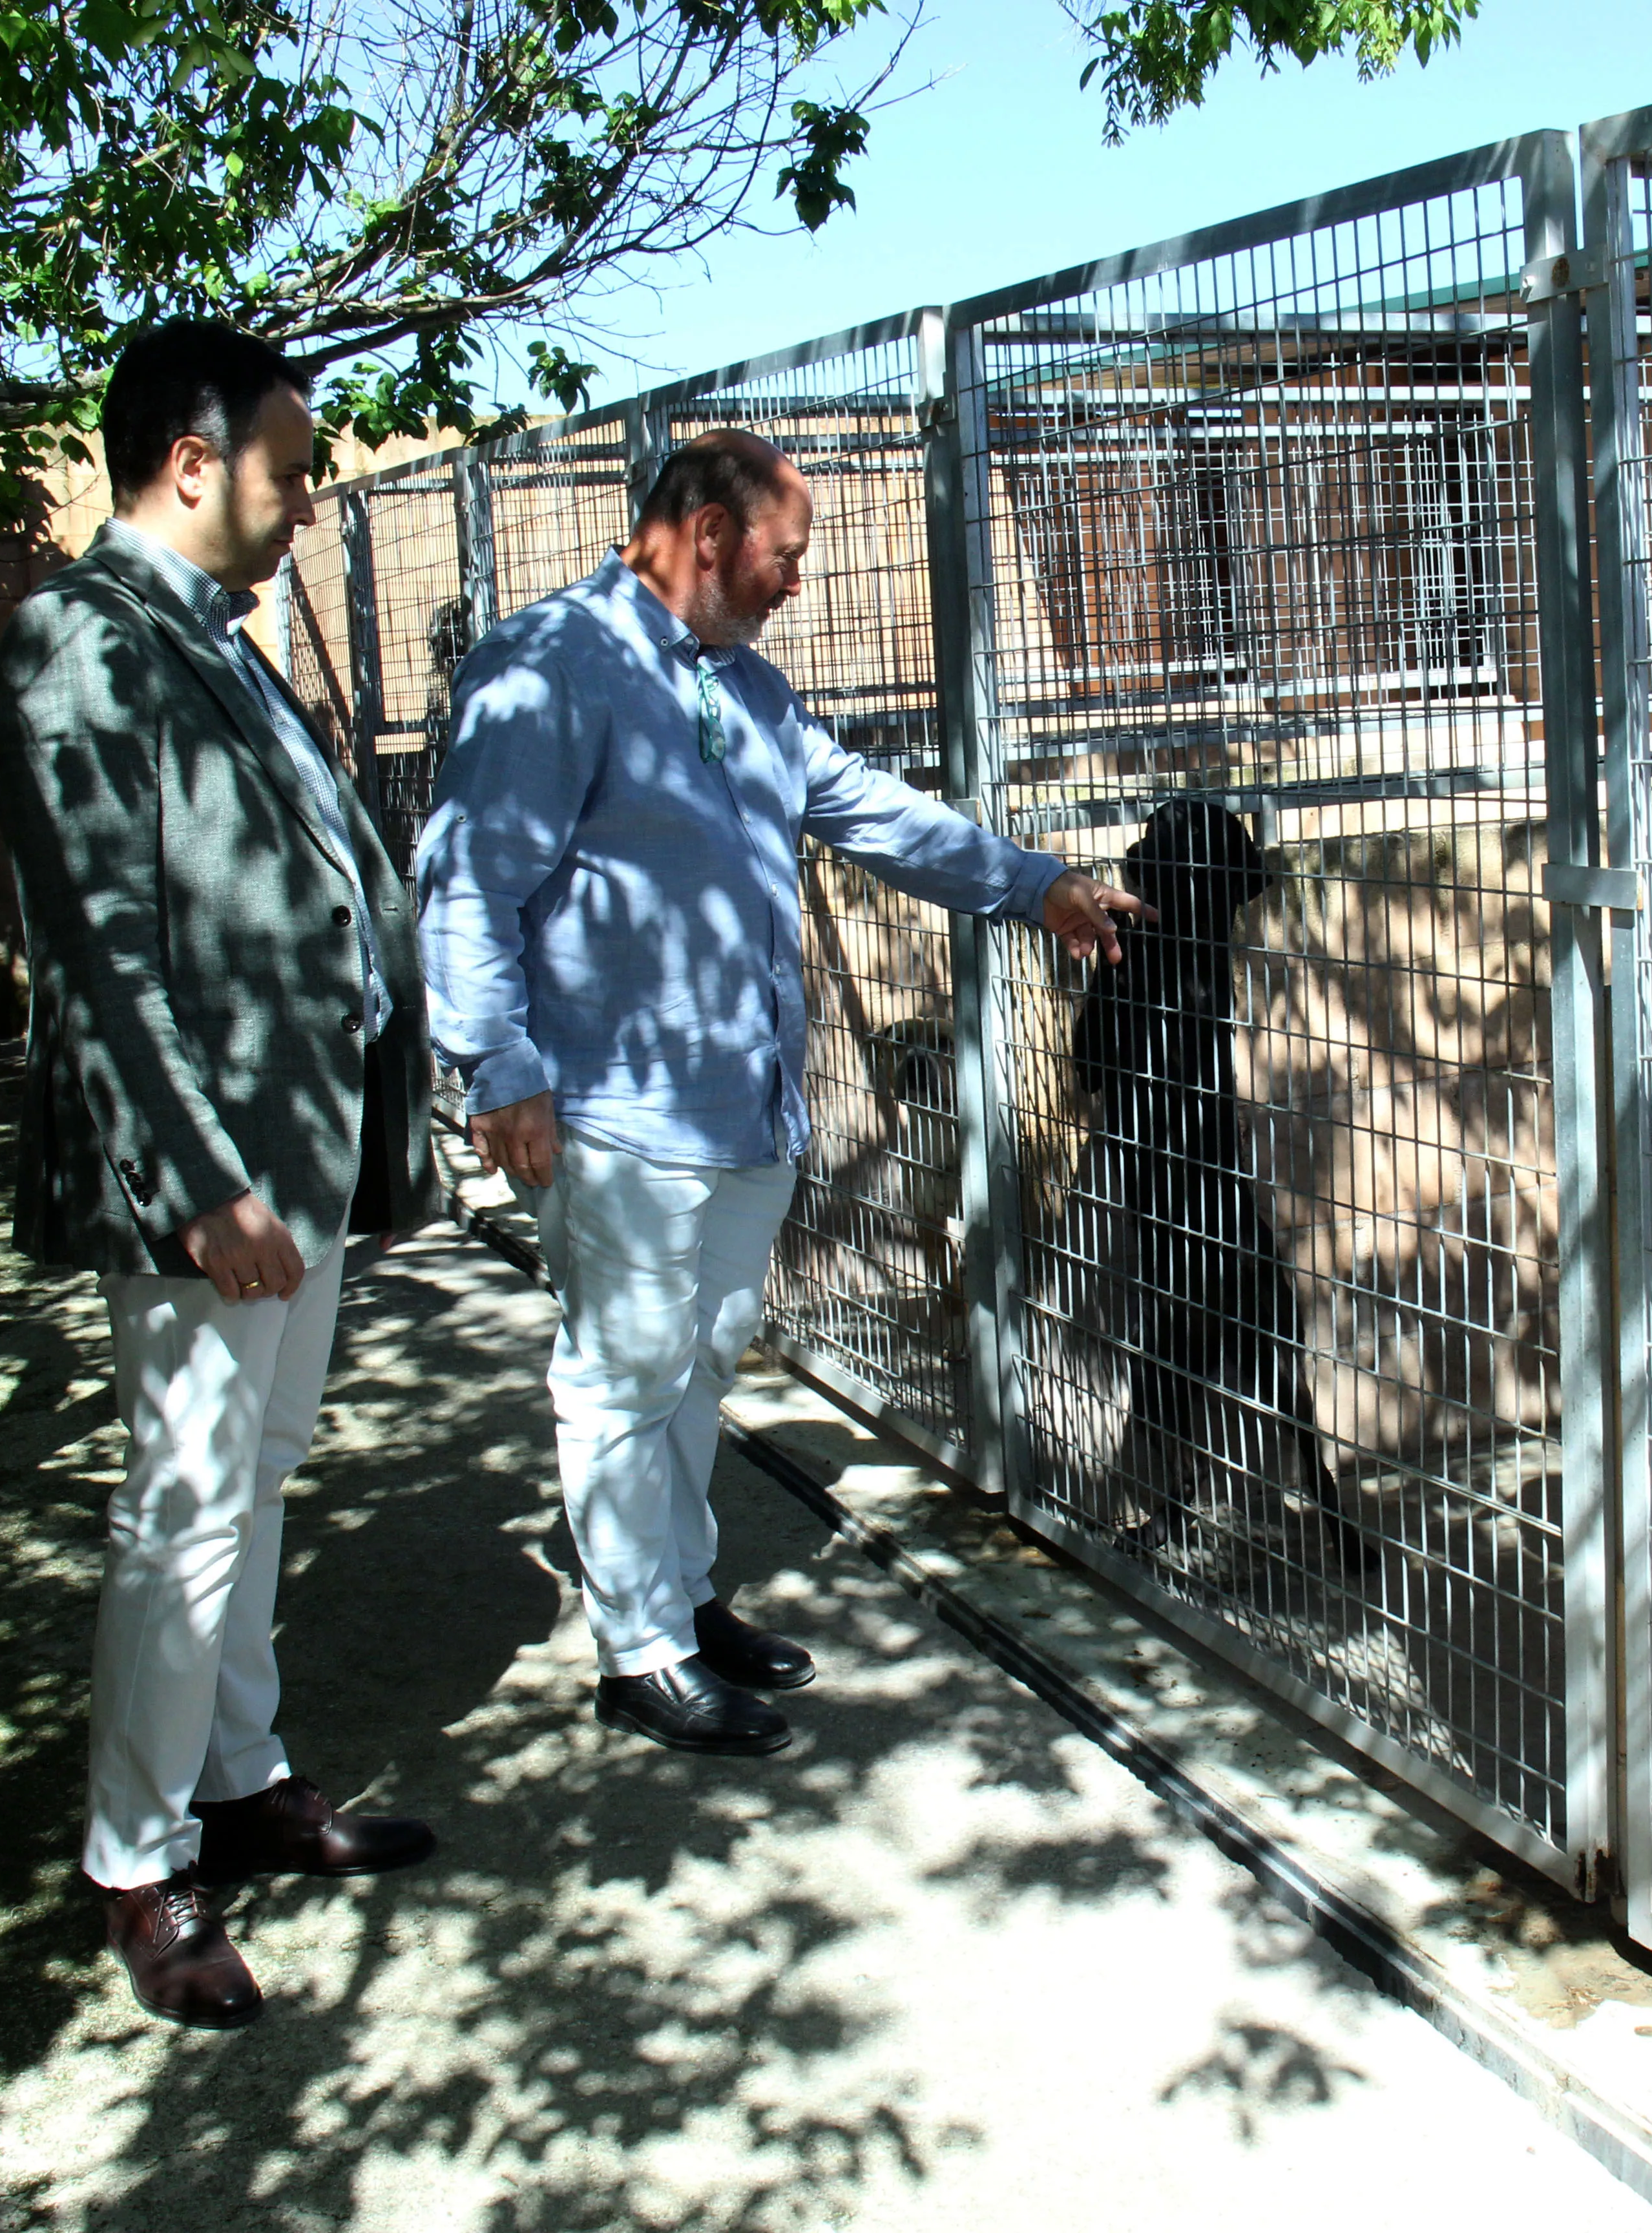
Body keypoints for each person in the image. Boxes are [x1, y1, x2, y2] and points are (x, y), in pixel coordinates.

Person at [415, 428, 1145, 1758]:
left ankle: (683, 1600)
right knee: (624, 1375)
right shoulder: (551, 670)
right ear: (706, 535)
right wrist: (499, 1067)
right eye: (786, 556)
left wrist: (1027, 880)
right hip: (616, 1113)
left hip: (740, 1109)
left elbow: (868, 808)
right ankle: (639, 1649)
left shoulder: (742, 689)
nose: (795, 584)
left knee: (699, 1360)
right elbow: (470, 885)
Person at [0, 319, 441, 2030]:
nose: (312, 494)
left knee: (260, 1471)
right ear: (196, 462)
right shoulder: (76, 645)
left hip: (296, 1152)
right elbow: (104, 954)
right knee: (180, 1513)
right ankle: (134, 1862)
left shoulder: (213, 640)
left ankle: (242, 1781)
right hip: (216, 1176)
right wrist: (200, 1178)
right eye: (294, 463)